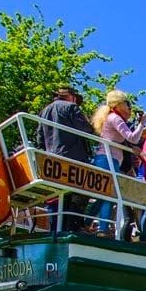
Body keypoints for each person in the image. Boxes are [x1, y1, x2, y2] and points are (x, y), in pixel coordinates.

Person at [89, 89, 146, 236]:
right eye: (127, 104)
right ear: (119, 104)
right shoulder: (115, 118)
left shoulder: (111, 117)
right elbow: (132, 138)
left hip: (108, 159)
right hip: (108, 159)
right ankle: (100, 228)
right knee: (108, 194)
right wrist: (142, 123)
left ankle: (87, 222)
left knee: (105, 194)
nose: (129, 107)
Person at [36, 86, 94, 232]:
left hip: (52, 159)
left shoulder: (44, 111)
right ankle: (73, 228)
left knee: (56, 196)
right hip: (73, 159)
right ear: (71, 97)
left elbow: (40, 139)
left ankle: (55, 231)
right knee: (80, 193)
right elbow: (86, 129)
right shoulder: (71, 107)